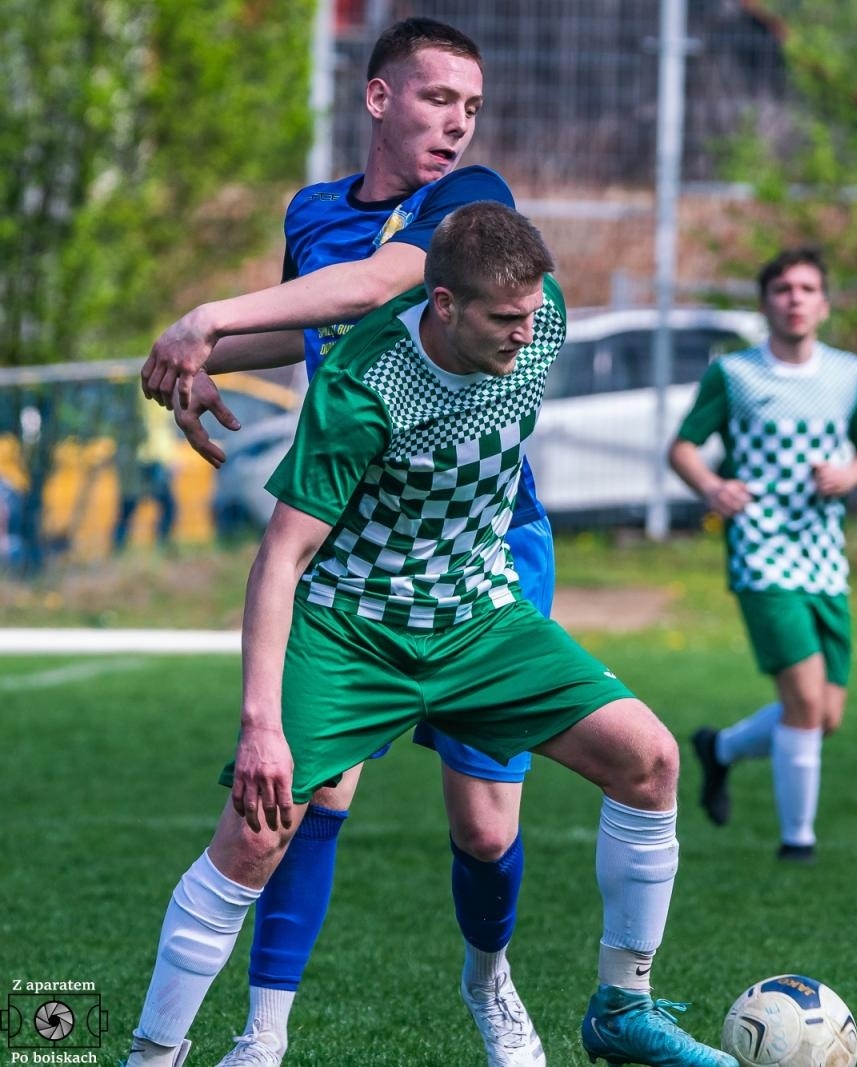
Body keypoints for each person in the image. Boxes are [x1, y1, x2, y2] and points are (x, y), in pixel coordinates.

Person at [122, 202, 734, 1067]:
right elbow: (280, 559)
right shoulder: (363, 388)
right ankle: (155, 1052)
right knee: (257, 831)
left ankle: (620, 1005)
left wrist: (525, 312)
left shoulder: (540, 313)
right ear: (443, 304)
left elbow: (527, 311)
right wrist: (261, 722)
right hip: (354, 628)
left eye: (533, 315)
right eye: (504, 319)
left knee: (651, 758)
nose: (528, 335)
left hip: (480, 619)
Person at [137, 19, 555, 1066]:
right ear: (378, 100)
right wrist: (217, 350)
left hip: (483, 542)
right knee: (304, 793)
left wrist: (208, 312)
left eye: (469, 103)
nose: (457, 121)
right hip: (356, 548)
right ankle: (260, 1035)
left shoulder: (471, 200)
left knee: (486, 828)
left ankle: (489, 978)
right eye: (435, 99)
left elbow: (381, 287)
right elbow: (321, 326)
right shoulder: (314, 212)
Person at [668, 248, 857, 862]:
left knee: (826, 715)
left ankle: (722, 749)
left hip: (825, 555)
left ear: (824, 304)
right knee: (806, 704)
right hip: (761, 553)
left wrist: (850, 473)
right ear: (766, 303)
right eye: (783, 288)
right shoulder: (734, 375)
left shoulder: (849, 373)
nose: (795, 298)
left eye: (807, 288)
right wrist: (712, 487)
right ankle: (798, 844)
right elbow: (683, 448)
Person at [113, 386, 179, 552]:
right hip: (150, 458)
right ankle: (160, 548)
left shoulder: (161, 387)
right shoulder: (145, 389)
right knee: (163, 505)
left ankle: (155, 548)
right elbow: (148, 428)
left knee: (134, 506)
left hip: (152, 457)